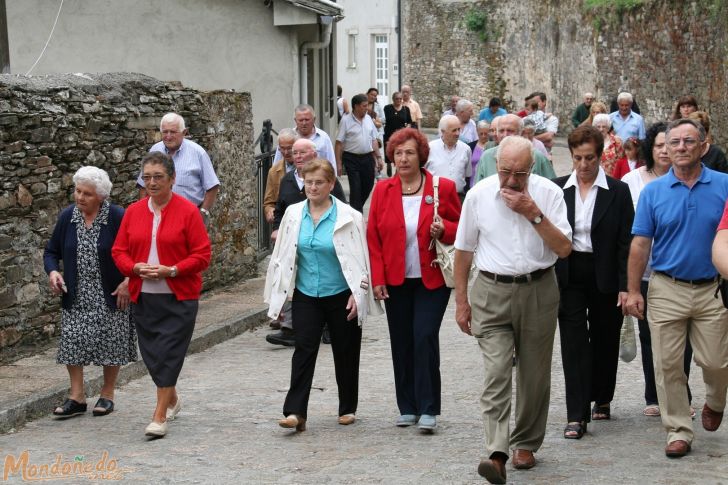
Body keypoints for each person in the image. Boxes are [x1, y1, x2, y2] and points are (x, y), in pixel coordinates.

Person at [454, 135, 572, 482]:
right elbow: (463, 250)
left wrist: (532, 213)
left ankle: (526, 444)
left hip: (538, 289)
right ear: (495, 164)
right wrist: (461, 302)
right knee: (496, 373)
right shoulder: (478, 196)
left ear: (532, 168)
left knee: (534, 374)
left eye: (519, 173)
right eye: (506, 171)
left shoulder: (549, 194)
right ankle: (496, 452)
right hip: (491, 291)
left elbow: (564, 248)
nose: (511, 180)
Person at [625, 118, 728, 458]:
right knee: (668, 364)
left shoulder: (725, 185)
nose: (681, 147)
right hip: (666, 287)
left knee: (716, 362)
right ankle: (678, 430)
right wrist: (634, 290)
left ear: (704, 146)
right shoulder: (653, 192)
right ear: (665, 149)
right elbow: (640, 244)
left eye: (689, 141)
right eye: (675, 143)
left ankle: (715, 400)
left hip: (712, 289)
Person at [265, 159, 379, 431]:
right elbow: (281, 257)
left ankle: (347, 407)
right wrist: (278, 297)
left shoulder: (350, 216)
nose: (312, 187)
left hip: (340, 292)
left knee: (346, 350)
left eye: (319, 182)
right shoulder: (293, 214)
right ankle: (295, 412)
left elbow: (363, 260)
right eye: (308, 181)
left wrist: (358, 292)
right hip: (306, 293)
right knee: (304, 349)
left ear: (331, 184)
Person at [367, 127, 461, 433]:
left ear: (421, 154)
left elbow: (462, 227)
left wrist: (443, 228)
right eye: (397, 153)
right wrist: (378, 277)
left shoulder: (441, 187)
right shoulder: (383, 190)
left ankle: (429, 407)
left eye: (409, 152)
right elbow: (374, 238)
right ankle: (407, 406)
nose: (403, 158)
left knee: (423, 336)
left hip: (431, 276)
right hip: (396, 278)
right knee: (402, 342)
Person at [112, 151, 211, 438]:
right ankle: (172, 398)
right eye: (147, 178)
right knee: (153, 354)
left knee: (169, 353)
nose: (152, 183)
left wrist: (173, 270)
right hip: (144, 295)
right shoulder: (133, 212)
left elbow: (202, 256)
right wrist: (133, 268)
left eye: (158, 177)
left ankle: (158, 416)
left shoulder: (188, 211)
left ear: (172, 179)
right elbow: (118, 251)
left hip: (179, 295)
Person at [553, 126, 634, 439]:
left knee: (604, 339)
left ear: (600, 157)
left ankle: (602, 395)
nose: (583, 164)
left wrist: (627, 286)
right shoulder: (558, 189)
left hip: (606, 274)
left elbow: (626, 242)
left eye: (589, 158)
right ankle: (577, 414)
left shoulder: (617, 191)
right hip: (570, 274)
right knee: (573, 344)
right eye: (577, 158)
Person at [44, 166, 137, 419]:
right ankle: (77, 397)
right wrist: (53, 272)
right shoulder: (68, 217)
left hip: (111, 292)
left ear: (101, 196)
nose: (80, 197)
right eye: (77, 191)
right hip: (76, 293)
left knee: (111, 343)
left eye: (87, 193)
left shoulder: (117, 216)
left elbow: (137, 251)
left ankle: (107, 395)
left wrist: (130, 280)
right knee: (72, 342)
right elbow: (51, 252)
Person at [620, 122, 694, 418]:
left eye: (669, 145)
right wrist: (628, 283)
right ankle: (654, 395)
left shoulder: (689, 180)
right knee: (651, 338)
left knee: (683, 341)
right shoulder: (632, 181)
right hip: (645, 273)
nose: (666, 150)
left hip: (679, 271)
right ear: (651, 150)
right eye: (660, 145)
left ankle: (681, 395)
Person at [268, 138, 347, 347]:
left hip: (325, 238)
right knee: (294, 276)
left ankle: (329, 326)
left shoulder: (329, 179)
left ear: (314, 153)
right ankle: (291, 328)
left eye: (302, 153)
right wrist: (277, 228)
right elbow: (280, 208)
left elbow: (342, 209)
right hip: (295, 237)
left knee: (325, 277)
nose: (298, 157)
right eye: (295, 153)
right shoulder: (286, 180)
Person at [137, 113, 220, 225]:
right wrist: (144, 211)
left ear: (184, 132)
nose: (168, 136)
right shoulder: (154, 151)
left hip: (189, 218)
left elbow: (212, 186)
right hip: (158, 217)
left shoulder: (198, 153)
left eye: (173, 132)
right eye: (165, 132)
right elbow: (143, 185)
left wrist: (203, 212)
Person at [335, 94, 384, 213]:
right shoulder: (346, 121)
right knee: (356, 188)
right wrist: (339, 163)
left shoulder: (368, 119)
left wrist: (379, 157)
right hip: (351, 158)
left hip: (367, 157)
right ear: (356, 106)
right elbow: (339, 143)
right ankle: (356, 214)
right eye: (364, 106)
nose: (367, 108)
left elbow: (373, 140)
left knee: (368, 186)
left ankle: (354, 209)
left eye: (367, 105)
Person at [475, 114, 556, 182]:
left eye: (510, 130)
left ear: (522, 133)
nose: (505, 135)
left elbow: (552, 187)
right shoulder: (486, 157)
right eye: (501, 131)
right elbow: (477, 190)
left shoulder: (537, 156)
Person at [273, 104, 337, 175]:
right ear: (295, 120)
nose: (304, 123)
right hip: (291, 182)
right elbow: (276, 165)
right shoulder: (287, 137)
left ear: (314, 119)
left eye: (307, 120)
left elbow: (331, 163)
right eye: (300, 120)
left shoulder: (323, 138)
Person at [426, 115, 472, 200]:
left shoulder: (466, 149)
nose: (458, 133)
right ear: (443, 132)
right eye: (454, 130)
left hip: (458, 198)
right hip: (435, 198)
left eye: (459, 129)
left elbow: (467, 175)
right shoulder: (430, 148)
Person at [263, 128, 298, 223]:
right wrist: (270, 211)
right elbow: (268, 202)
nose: (286, 152)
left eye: (289, 148)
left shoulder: (307, 167)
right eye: (282, 148)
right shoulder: (274, 171)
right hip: (284, 222)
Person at [383, 92, 413, 177]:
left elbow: (410, 121)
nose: (399, 100)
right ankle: (389, 164)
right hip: (389, 134)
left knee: (399, 152)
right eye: (397, 99)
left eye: (400, 99)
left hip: (400, 135)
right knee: (389, 151)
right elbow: (384, 119)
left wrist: (408, 127)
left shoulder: (405, 109)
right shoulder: (387, 108)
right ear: (393, 99)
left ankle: (397, 169)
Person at [468, 121, 490, 188]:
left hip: (487, 184)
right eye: (481, 134)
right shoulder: (470, 146)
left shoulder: (493, 146)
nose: (483, 136)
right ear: (477, 132)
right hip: (472, 184)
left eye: (486, 134)